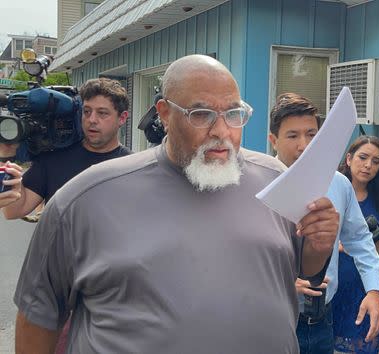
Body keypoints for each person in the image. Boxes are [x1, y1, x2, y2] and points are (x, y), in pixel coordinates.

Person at [13, 55, 340, 353]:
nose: (221, 130)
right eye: (201, 114)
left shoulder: (274, 179)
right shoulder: (84, 199)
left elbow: (301, 268)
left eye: (234, 114)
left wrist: (318, 246)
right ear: (165, 114)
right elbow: (39, 312)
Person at [268, 93, 379, 354]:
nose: (304, 145)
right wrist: (283, 282)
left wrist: (374, 290)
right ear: (273, 140)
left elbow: (361, 240)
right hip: (275, 320)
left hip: (322, 322)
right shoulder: (260, 184)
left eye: (311, 134)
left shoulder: (339, 184)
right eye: (293, 135)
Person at [1, 77, 132, 220]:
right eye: (87, 111)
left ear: (122, 118)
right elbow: (13, 211)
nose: (92, 120)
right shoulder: (54, 158)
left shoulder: (132, 166)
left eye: (102, 113)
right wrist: (7, 154)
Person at [332, 135, 379, 353]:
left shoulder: (376, 196)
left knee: (363, 345)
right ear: (349, 158)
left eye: (376, 161)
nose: (368, 165)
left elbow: (375, 247)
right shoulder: (332, 190)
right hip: (334, 282)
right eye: (363, 157)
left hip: (363, 287)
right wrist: (341, 245)